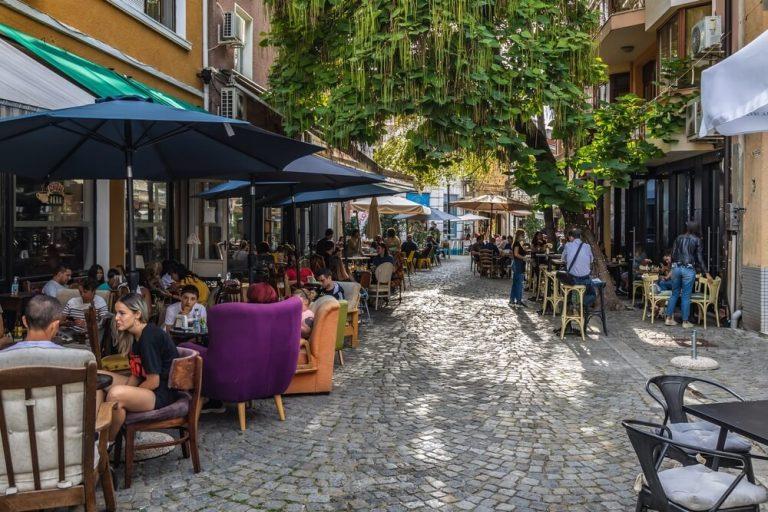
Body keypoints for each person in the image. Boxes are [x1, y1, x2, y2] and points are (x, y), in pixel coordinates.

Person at [105, 294, 179, 441]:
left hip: (161, 393)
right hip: (147, 387)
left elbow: (153, 382)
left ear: (137, 314)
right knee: (98, 378)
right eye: (116, 313)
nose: (116, 318)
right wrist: (128, 393)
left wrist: (127, 393)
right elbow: (136, 374)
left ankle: (106, 443)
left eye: (122, 313)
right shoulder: (134, 336)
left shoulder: (149, 337)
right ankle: (97, 434)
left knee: (115, 395)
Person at [665, 221, 712, 328]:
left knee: (674, 293)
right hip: (688, 269)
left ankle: (668, 319)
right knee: (686, 296)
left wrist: (672, 268)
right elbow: (699, 258)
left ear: (687, 228)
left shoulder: (678, 238)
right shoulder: (697, 240)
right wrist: (707, 273)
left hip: (676, 268)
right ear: (696, 229)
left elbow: (672, 254)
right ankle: (685, 322)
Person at [561, 228, 595, 311]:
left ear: (572, 237)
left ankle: (569, 304)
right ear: (580, 237)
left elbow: (563, 259)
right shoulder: (587, 246)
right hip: (585, 280)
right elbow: (591, 260)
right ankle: (583, 305)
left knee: (564, 281)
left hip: (573, 280)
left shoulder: (568, 245)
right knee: (590, 288)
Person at [509, 230, 528, 307]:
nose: (523, 237)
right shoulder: (517, 243)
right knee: (519, 284)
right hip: (518, 264)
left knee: (515, 283)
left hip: (516, 264)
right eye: (523, 235)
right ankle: (518, 301)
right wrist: (524, 258)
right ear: (519, 235)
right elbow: (516, 254)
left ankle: (512, 300)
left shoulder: (516, 243)